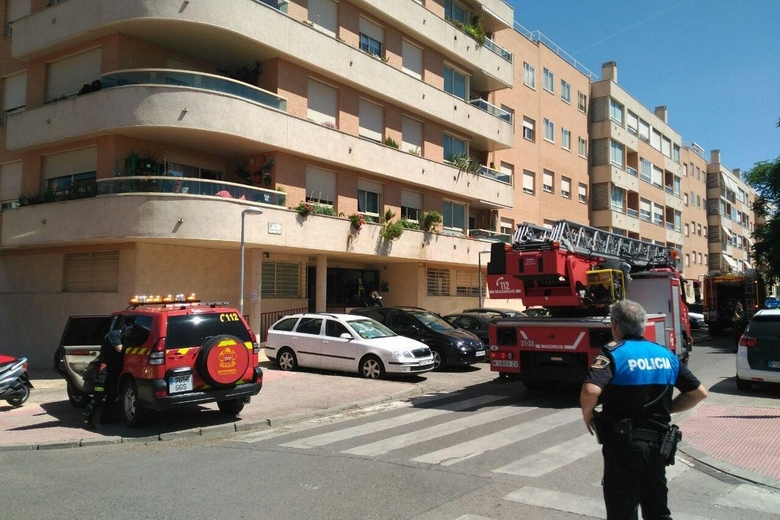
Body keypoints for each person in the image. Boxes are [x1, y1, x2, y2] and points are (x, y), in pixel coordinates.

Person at [580, 300, 708, 520]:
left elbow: (591, 390)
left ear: (615, 325)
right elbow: (699, 393)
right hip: (659, 445)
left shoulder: (613, 353)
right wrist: (668, 409)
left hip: (623, 446)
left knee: (622, 508)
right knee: (657, 508)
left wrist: (588, 414)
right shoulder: (666, 355)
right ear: (643, 326)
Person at [83, 322, 130, 428]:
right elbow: (120, 349)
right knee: (98, 396)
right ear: (123, 330)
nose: (129, 334)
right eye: (129, 332)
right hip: (105, 371)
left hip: (113, 372)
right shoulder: (114, 335)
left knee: (112, 395)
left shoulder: (124, 338)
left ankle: (105, 418)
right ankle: (87, 419)